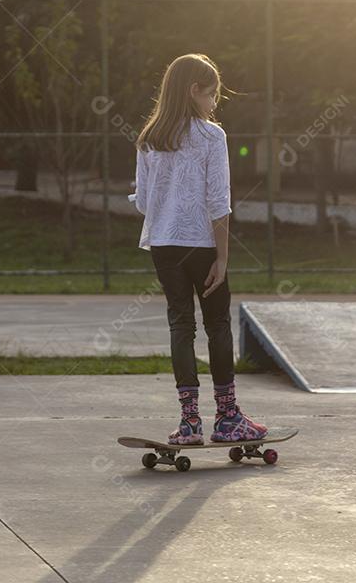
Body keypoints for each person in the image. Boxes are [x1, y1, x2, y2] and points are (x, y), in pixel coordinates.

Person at [132, 53, 268, 445]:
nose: (213, 104)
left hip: (163, 245)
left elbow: (143, 202)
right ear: (194, 91)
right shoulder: (212, 136)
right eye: (211, 95)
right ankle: (227, 418)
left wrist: (167, 199)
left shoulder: (149, 139)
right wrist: (223, 257)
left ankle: (189, 423)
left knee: (180, 325)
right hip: (202, 246)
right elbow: (218, 201)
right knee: (217, 325)